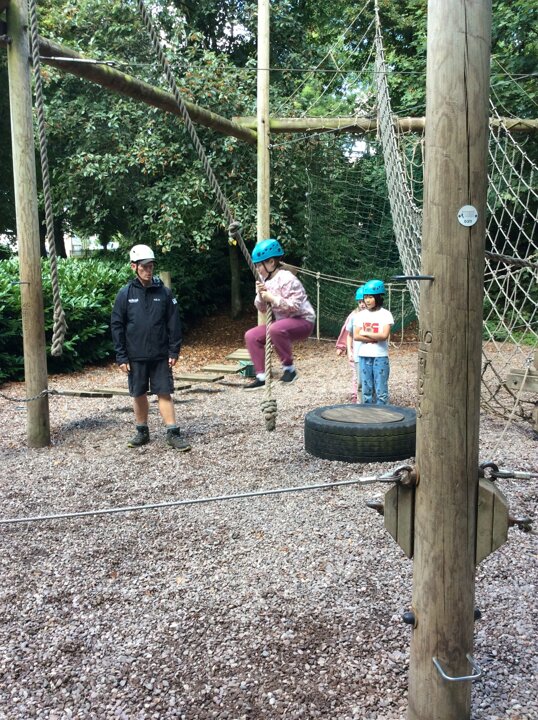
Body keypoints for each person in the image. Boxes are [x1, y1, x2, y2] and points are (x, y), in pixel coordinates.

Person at [111, 244, 191, 450]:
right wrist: (121, 356)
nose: (148, 270)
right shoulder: (125, 294)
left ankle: (173, 433)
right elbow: (117, 326)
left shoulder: (164, 293)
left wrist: (174, 350)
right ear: (134, 267)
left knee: (164, 392)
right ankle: (142, 431)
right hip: (135, 356)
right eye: (144, 266)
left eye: (151, 266)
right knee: (138, 393)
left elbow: (174, 323)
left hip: (160, 355)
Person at [244, 238, 315, 389]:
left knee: (275, 328)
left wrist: (273, 298)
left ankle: (289, 369)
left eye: (259, 265)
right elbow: (262, 309)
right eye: (256, 265)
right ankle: (261, 377)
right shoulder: (263, 280)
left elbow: (295, 306)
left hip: (303, 320)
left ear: (271, 262)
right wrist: (260, 295)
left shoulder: (287, 279)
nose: (257, 269)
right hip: (282, 323)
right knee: (251, 335)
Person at [353, 279, 394, 405]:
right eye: (366, 297)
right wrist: (375, 337)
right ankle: (367, 415)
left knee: (381, 390)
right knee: (366, 390)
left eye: (370, 297)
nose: (367, 300)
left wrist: (365, 333)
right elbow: (356, 336)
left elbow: (384, 335)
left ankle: (382, 414)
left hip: (380, 356)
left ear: (378, 297)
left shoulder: (386, 314)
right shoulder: (360, 315)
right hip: (364, 356)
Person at [336, 286, 366, 402]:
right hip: (354, 350)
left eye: (364, 301)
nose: (362, 304)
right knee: (356, 373)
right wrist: (342, 347)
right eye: (360, 302)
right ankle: (355, 394)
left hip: (367, 349)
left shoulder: (373, 315)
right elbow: (346, 331)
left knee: (367, 372)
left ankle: (367, 394)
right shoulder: (354, 315)